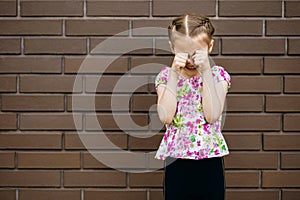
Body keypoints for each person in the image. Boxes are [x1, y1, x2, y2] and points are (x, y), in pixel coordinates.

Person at [154, 14, 232, 200]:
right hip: (177, 160)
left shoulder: (217, 76)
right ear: (173, 48)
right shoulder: (165, 77)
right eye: (183, 53)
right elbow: (165, 116)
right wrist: (174, 74)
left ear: (209, 47)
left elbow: (212, 115)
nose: (190, 60)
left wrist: (205, 71)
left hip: (209, 159)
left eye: (196, 53)